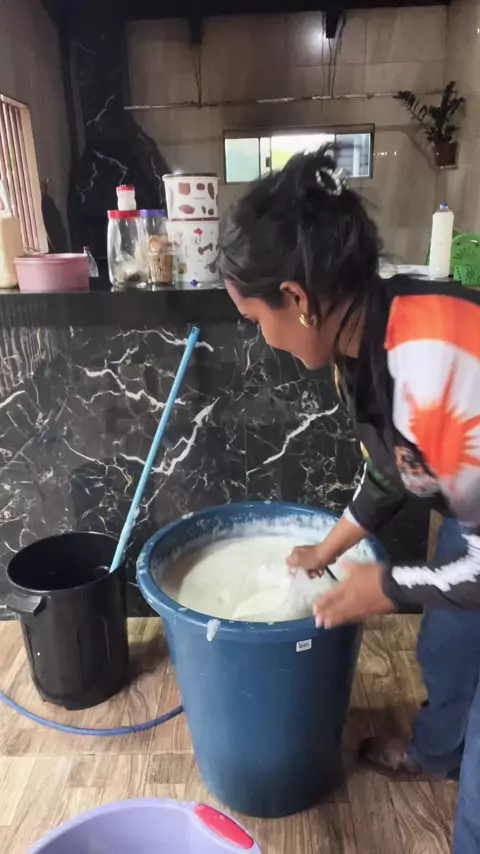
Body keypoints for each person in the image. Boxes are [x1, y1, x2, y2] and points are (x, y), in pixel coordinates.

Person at [217, 146, 480, 854]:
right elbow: (394, 472)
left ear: (297, 299)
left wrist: (384, 586)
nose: (264, 339)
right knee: (450, 645)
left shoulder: (426, 365)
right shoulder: (361, 338)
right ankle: (437, 752)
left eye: (256, 319)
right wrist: (327, 550)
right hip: (476, 506)